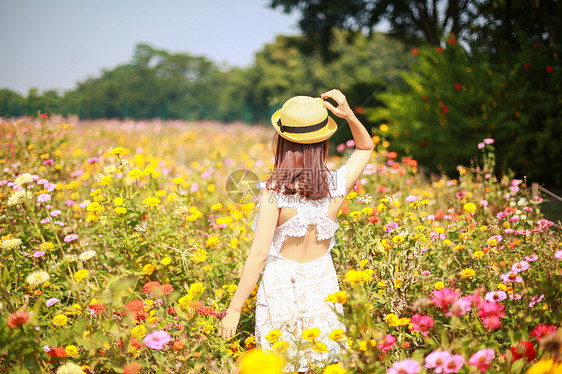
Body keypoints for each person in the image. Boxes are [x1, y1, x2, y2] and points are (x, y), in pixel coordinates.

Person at [218, 89, 374, 372]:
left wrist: (234, 309)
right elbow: (365, 148)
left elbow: (258, 256)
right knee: (325, 364)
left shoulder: (273, 193)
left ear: (282, 143)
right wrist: (349, 114)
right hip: (323, 290)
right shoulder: (337, 185)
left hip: (280, 292)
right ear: (323, 143)